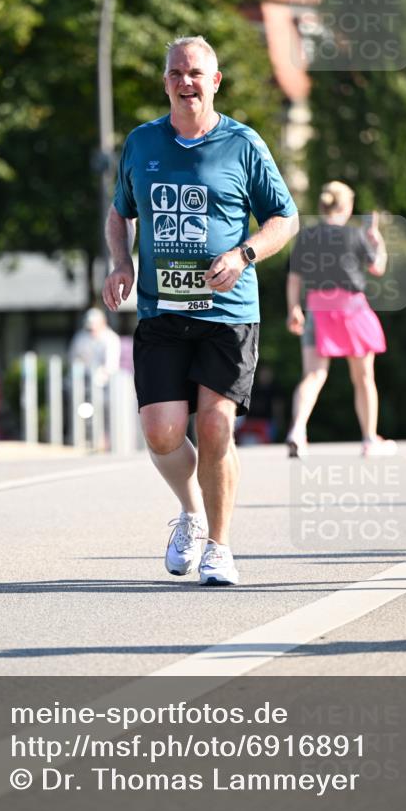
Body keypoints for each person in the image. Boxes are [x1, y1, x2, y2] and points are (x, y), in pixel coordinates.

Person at [102, 35, 299, 586]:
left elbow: (285, 218)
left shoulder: (243, 144)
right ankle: (190, 513)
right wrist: (120, 263)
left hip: (228, 311)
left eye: (195, 73)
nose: (185, 82)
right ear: (165, 82)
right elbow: (121, 213)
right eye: (175, 73)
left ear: (215, 82)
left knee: (215, 428)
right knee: (162, 432)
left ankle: (220, 546)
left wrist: (244, 253)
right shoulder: (142, 143)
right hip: (162, 310)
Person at [285, 180, 395, 457]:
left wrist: (293, 309)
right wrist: (377, 240)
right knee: (364, 378)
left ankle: (298, 429)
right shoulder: (355, 235)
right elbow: (378, 268)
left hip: (316, 310)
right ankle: (370, 439)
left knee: (312, 375)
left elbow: (294, 277)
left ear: (323, 205)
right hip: (351, 310)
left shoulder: (307, 236)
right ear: (346, 206)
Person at [68, 307, 121, 386]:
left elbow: (111, 365)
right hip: (82, 377)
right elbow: (73, 357)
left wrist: (98, 374)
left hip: (106, 380)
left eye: (95, 325)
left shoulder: (111, 338)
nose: (92, 329)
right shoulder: (80, 336)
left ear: (103, 322)